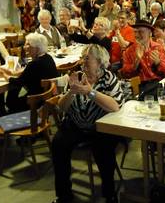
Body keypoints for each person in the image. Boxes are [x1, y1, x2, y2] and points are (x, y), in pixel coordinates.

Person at [51, 44, 124, 203]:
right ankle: (63, 194)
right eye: (82, 58)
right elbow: (61, 107)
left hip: (100, 127)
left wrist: (89, 92)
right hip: (76, 125)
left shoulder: (108, 78)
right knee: (58, 144)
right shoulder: (77, 76)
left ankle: (109, 194)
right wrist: (71, 91)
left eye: (87, 59)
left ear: (99, 62)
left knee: (103, 150)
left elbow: (114, 106)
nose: (82, 62)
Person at [0, 33, 58, 113]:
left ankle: (2, 114)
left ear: (37, 48)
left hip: (35, 101)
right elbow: (28, 72)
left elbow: (18, 82)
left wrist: (4, 75)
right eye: (25, 44)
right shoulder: (48, 57)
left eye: (28, 45)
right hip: (47, 98)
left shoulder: (34, 64)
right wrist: (9, 72)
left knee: (11, 100)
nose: (25, 47)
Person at [121, 20, 165, 97]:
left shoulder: (158, 48)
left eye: (140, 32)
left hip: (157, 85)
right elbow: (125, 74)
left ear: (150, 33)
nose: (137, 35)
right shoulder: (129, 51)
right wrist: (136, 62)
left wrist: (158, 63)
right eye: (135, 32)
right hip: (139, 88)